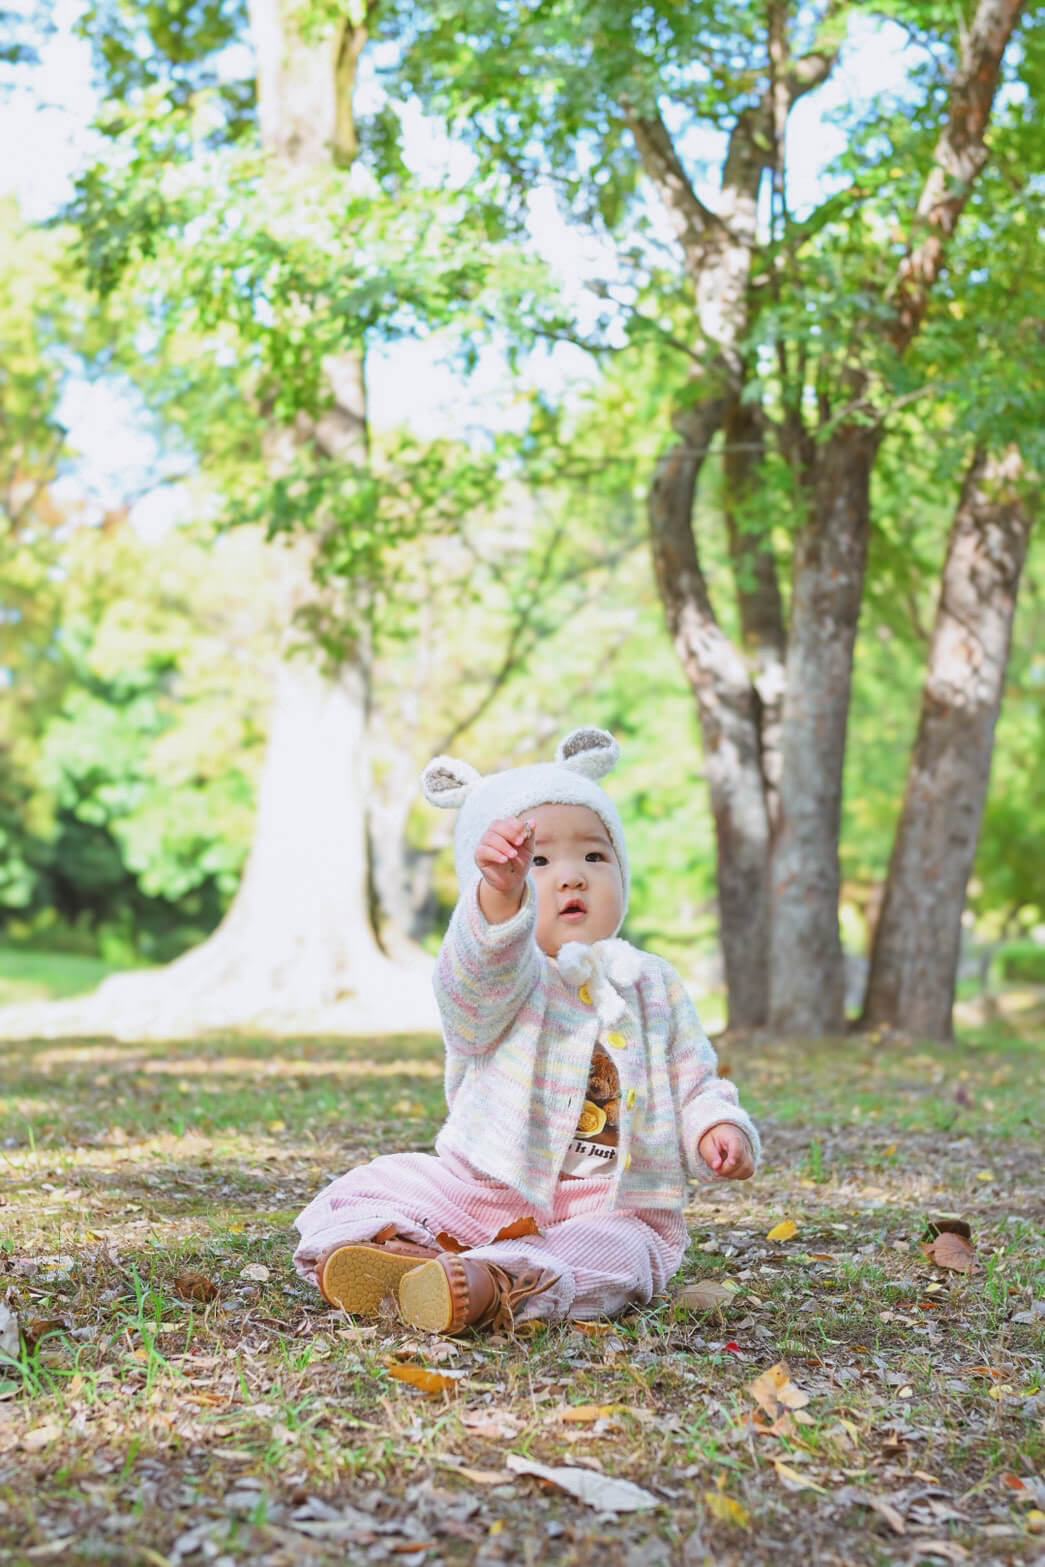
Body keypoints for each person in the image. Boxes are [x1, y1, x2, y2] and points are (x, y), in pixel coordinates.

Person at [293, 727, 759, 1335]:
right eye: (539, 862)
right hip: (483, 1188)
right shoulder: (509, 974)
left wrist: (716, 1126)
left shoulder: (651, 982)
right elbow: (471, 989)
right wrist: (498, 900)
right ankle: (400, 1255)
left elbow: (692, 1076)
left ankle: (499, 1285)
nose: (572, 877)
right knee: (366, 1185)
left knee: (627, 1256)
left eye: (595, 856)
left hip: (605, 1208)